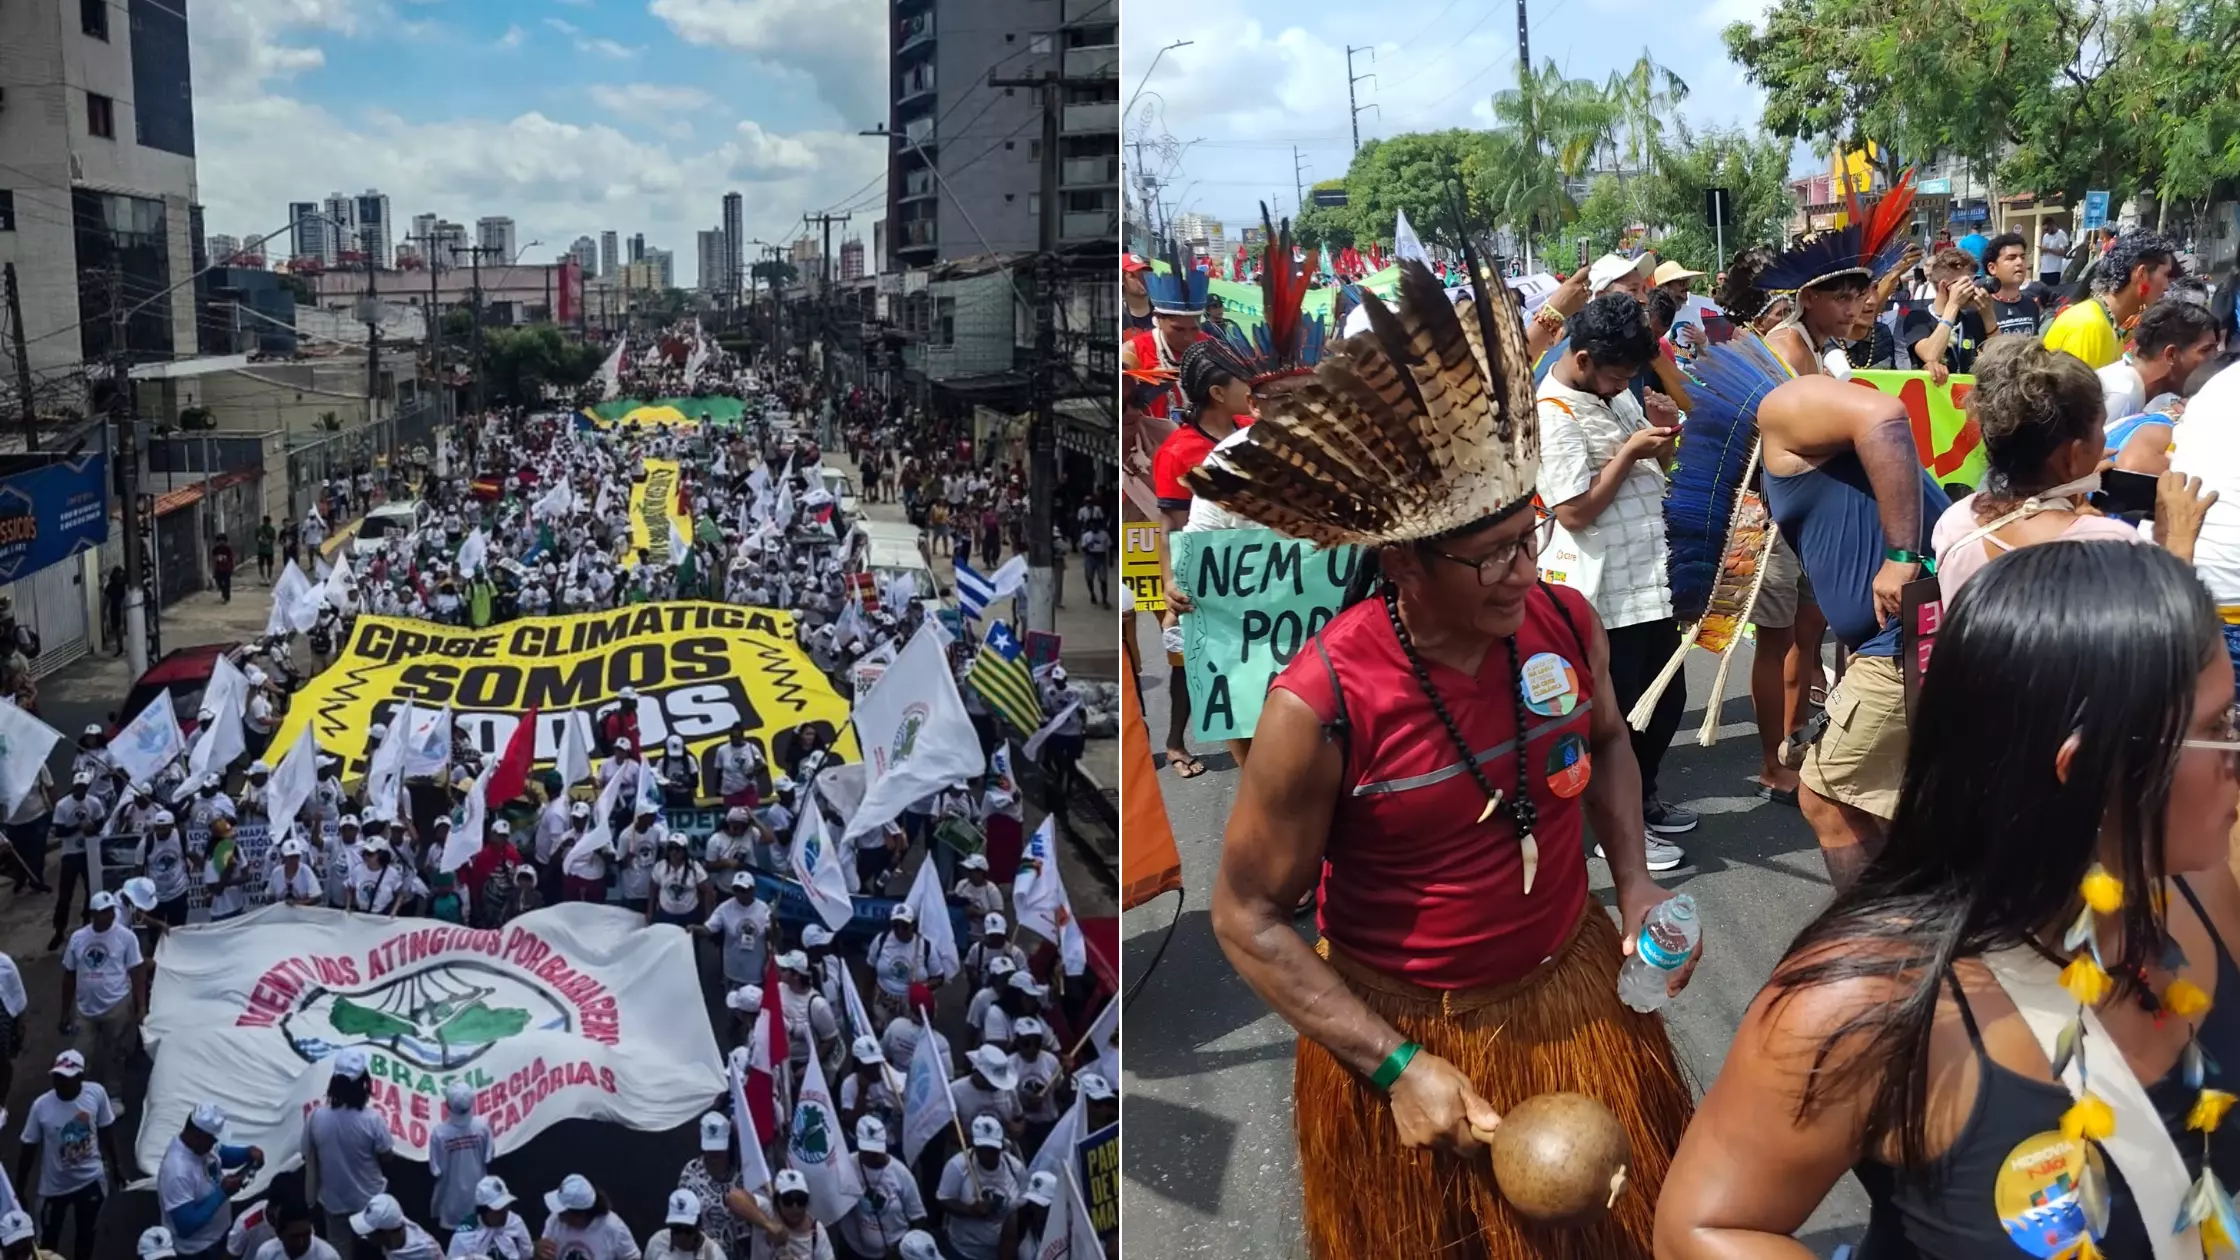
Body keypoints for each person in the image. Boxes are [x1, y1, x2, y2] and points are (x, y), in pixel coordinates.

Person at [1191, 259, 1697, 1259]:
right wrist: (1391, 1068)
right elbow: (1245, 920)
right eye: (1492, 555)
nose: (1524, 570)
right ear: (1401, 565)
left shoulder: (1561, 617)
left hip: (1572, 992)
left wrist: (1634, 881)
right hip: (1412, 1038)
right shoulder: (1319, 702)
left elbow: (1603, 741)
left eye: (1529, 537)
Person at [1656, 540, 2240, 1258]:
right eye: (2216, 730)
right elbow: (1703, 1226)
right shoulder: (1859, 1006)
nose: (2236, 752)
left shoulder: (2201, 887)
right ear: (2085, 767)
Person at [1536, 292, 1692, 867]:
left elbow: (1657, 470)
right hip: (1603, 594)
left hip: (1652, 578)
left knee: (1667, 700)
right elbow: (1573, 511)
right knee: (1620, 715)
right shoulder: (1551, 414)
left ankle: (1643, 798)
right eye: (1616, 373)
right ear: (1581, 358)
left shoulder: (1615, 393)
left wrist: (1658, 435)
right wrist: (1629, 450)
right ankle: (1615, 827)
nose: (1622, 382)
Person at [16, 1050, 117, 1260]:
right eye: (57, 1076)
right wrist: (19, 1190)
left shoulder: (96, 1094)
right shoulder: (41, 1106)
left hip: (91, 1181)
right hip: (54, 1189)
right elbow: (28, 1149)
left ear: (80, 1078)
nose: (59, 1082)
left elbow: (106, 1130)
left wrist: (116, 1167)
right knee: (47, 1243)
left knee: (86, 1237)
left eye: (66, 1078)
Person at [2104, 299, 2224, 472]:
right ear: (2171, 355)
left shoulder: (2140, 392)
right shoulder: (2121, 396)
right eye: (2206, 350)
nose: (2214, 359)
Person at [2044, 228, 2179, 369]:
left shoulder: (2109, 324)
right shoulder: (2089, 326)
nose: (2167, 286)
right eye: (2165, 275)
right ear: (2141, 274)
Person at [304, 1050, 393, 1246]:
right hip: (369, 1201)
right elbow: (387, 1155)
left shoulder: (316, 1117)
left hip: (334, 1202)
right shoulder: (372, 1120)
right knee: (375, 1249)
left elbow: (306, 1154)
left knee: (339, 1250)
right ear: (364, 1082)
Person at [58, 892, 142, 1098]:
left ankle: (113, 1095)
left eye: (110, 911)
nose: (109, 916)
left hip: (116, 1005)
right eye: (103, 913)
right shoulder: (78, 938)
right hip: (84, 1009)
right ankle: (80, 1096)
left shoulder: (126, 937)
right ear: (93, 914)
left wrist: (142, 1007)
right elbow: (69, 975)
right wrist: (64, 1012)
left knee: (115, 1054)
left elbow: (137, 972)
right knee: (79, 1055)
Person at [158, 1105, 262, 1260]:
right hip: (198, 1251)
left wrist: (246, 1153)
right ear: (196, 1136)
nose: (214, 1144)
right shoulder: (176, 1172)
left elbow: (220, 1154)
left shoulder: (202, 1146)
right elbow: (185, 1227)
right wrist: (222, 1193)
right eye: (211, 1140)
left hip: (218, 1235)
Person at [936, 1117, 1026, 1260]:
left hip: (1000, 1252)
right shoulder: (957, 1166)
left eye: (992, 1150)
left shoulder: (1016, 1169)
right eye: (982, 1149)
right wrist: (970, 1210)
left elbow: (1021, 1206)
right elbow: (943, 1199)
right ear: (974, 1146)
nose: (987, 1155)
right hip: (963, 1251)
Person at [837, 1117, 926, 1260]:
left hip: (893, 1253)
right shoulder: (846, 1166)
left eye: (876, 1152)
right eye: (866, 1152)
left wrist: (900, 1248)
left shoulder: (901, 1173)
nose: (872, 1157)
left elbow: (918, 1217)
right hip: (855, 1251)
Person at [1900, 247, 1993, 382]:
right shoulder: (1918, 318)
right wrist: (1953, 305)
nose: (1972, 289)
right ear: (1944, 286)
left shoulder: (1973, 317)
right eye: (1966, 284)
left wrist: (1989, 315)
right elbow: (1931, 355)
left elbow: (2001, 359)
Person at [423, 1085, 490, 1233]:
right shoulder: (482, 1126)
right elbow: (489, 1158)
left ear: (447, 1105)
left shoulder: (439, 1133)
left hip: (451, 1204)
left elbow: (435, 1170)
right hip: (479, 1201)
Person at [535, 1176, 638, 1260]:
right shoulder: (554, 1220)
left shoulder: (613, 1227)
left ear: (580, 1214)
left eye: (563, 1212)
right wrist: (536, 1250)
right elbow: (543, 1255)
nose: (559, 1215)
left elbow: (633, 1257)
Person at [443, 1179, 529, 1260]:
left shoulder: (515, 1222)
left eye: (506, 1207)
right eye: (498, 1211)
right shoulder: (464, 1236)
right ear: (483, 1210)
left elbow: (527, 1253)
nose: (504, 1215)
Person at [1979, 232, 2043, 336]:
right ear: (1992, 268)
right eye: (2011, 258)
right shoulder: (1982, 307)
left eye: (2022, 257)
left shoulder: (2031, 305)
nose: (2019, 262)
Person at [344, 1197, 440, 1260]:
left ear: (386, 1233)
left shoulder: (426, 1252)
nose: (366, 1236)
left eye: (370, 1232)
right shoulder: (366, 1247)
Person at [253, 1197, 340, 1260]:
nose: (302, 1242)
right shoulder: (266, 1254)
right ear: (280, 1234)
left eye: (306, 1234)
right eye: (295, 1237)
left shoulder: (328, 1256)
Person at [642, 1194, 719, 1260]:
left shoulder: (714, 1254)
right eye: (677, 1229)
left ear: (698, 1227)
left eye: (688, 1231)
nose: (682, 1237)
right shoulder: (657, 1242)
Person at [2038, 220, 2072, 287]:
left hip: (2054, 270)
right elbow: (2044, 250)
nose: (2046, 231)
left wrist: (2048, 250)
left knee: (2052, 291)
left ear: (2052, 225)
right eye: (2045, 230)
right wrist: (2042, 250)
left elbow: (2063, 252)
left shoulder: (2061, 234)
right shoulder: (2046, 236)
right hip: (2044, 269)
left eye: (2047, 229)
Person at [211, 535, 236, 604]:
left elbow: (232, 558)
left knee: (227, 583)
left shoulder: (228, 549)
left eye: (222, 541)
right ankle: (223, 593)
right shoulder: (216, 549)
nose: (221, 543)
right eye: (219, 541)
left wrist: (232, 567)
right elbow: (213, 559)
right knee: (219, 581)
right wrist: (213, 568)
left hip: (227, 568)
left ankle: (226, 597)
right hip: (219, 569)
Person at [255, 518, 277, 582]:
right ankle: (263, 577)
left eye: (268, 522)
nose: (266, 523)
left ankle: (268, 578)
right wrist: (260, 539)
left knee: (269, 565)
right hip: (261, 550)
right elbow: (256, 538)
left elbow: (273, 538)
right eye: (265, 522)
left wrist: (268, 541)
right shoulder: (259, 529)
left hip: (269, 550)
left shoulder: (272, 529)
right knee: (261, 564)